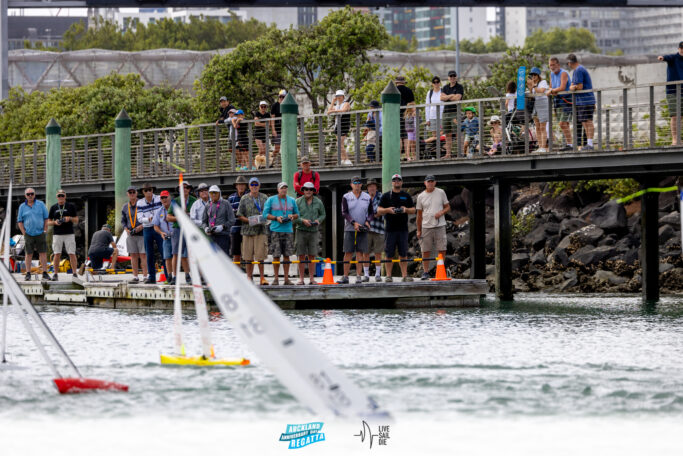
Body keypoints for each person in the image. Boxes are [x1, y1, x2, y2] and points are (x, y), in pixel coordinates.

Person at [377, 174, 416, 282]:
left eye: (399, 180)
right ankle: (388, 275)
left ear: (402, 182)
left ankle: (404, 275)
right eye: (394, 180)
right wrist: (388, 210)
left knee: (403, 253)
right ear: (392, 182)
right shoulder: (386, 196)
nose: (397, 181)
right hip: (390, 229)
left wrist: (405, 210)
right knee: (389, 254)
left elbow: (413, 210)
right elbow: (379, 210)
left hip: (403, 229)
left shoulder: (406, 196)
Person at [263, 182, 299, 286]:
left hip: (288, 230)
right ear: (278, 189)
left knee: (287, 255)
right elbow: (265, 214)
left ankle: (287, 279)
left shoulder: (292, 200)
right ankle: (276, 279)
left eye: (285, 188)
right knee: (276, 255)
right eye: (282, 188)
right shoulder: (271, 200)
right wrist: (276, 218)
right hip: (275, 230)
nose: (284, 190)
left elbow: (298, 214)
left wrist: (292, 216)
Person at [416, 175, 450, 280]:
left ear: (435, 182)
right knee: (425, 250)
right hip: (426, 226)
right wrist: (418, 230)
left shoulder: (441, 192)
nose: (430, 183)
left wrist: (441, 212)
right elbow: (419, 215)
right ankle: (425, 272)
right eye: (428, 181)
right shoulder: (420, 196)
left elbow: (448, 207)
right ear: (425, 183)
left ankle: (440, 269)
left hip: (440, 225)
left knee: (442, 248)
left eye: (432, 181)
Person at [340, 176, 373, 284]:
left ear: (361, 185)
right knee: (348, 252)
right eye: (355, 182)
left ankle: (359, 275)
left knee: (360, 252)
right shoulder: (346, 196)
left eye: (359, 183)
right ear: (351, 184)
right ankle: (345, 276)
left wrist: (368, 221)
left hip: (362, 228)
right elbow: (344, 212)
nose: (357, 184)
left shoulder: (367, 197)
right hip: (349, 228)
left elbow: (371, 212)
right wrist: (354, 223)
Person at [237, 177, 269, 285]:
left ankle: (262, 278)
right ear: (249, 186)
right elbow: (239, 215)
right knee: (247, 256)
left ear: (259, 186)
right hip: (247, 231)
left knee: (261, 256)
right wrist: (250, 221)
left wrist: (264, 218)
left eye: (256, 185)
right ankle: (249, 278)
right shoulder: (244, 198)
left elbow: (269, 212)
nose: (254, 187)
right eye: (252, 185)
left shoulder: (264, 197)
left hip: (261, 230)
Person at [295, 181, 326, 285]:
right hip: (301, 231)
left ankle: (312, 278)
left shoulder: (318, 202)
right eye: (306, 189)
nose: (308, 191)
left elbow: (323, 215)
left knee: (312, 255)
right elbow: (294, 217)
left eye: (310, 189)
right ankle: (301, 278)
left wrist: (318, 221)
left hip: (313, 231)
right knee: (301, 255)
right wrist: (302, 221)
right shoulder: (297, 201)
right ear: (303, 190)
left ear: (313, 191)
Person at [17, 187, 49, 281]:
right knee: (28, 254)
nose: (30, 196)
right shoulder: (22, 207)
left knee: (43, 253)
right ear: (25, 196)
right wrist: (24, 232)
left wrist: (45, 230)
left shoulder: (41, 204)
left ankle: (45, 273)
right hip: (28, 234)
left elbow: (46, 218)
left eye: (32, 194)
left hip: (40, 233)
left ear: (34, 194)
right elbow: (19, 221)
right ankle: (28, 273)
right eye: (28, 194)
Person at [137, 182, 167, 284]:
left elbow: (165, 209)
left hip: (158, 227)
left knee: (164, 252)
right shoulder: (140, 203)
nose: (148, 192)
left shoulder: (159, 199)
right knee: (149, 254)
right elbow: (140, 218)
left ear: (152, 190)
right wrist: (149, 219)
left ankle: (168, 275)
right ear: (143, 192)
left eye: (150, 190)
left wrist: (157, 219)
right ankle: (152, 277)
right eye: (146, 190)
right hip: (147, 229)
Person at [167, 181, 196, 285]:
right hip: (178, 229)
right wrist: (180, 217)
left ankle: (189, 275)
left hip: (190, 229)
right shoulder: (175, 201)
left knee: (189, 254)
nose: (184, 189)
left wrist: (188, 216)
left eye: (186, 187)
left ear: (189, 189)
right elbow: (168, 217)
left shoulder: (194, 200)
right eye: (182, 188)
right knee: (175, 253)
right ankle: (174, 276)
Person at [47, 189, 79, 280]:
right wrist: (55, 222)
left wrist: (69, 218)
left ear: (65, 197)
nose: (61, 197)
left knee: (72, 253)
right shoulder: (53, 207)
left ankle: (74, 273)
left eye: (62, 195)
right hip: (57, 234)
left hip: (69, 233)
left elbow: (76, 220)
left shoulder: (71, 206)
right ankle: (55, 274)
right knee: (57, 253)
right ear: (57, 197)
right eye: (59, 196)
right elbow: (48, 222)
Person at [567, 53, 596, 151]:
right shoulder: (577, 70)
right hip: (582, 101)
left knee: (588, 122)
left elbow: (579, 86)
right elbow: (572, 85)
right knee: (584, 122)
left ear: (570, 63)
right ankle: (589, 143)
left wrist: (573, 87)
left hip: (585, 100)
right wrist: (573, 87)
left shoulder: (579, 70)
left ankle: (590, 144)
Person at [658, 42, 683, 146]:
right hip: (673, 91)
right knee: (674, 116)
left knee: (681, 116)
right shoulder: (674, 57)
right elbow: (667, 57)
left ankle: (680, 139)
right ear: (679, 49)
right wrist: (662, 57)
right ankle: (675, 139)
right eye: (682, 48)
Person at [121, 185, 147, 283]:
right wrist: (125, 229)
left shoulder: (142, 204)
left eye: (133, 192)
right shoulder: (125, 207)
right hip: (130, 234)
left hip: (142, 233)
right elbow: (123, 221)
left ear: (136, 193)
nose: (132, 194)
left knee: (143, 255)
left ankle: (145, 276)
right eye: (130, 192)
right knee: (133, 256)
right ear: (128, 194)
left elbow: (148, 217)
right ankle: (135, 276)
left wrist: (142, 226)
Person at [202, 185, 235, 256]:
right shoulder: (208, 205)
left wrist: (222, 227)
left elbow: (232, 220)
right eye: (211, 193)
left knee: (224, 258)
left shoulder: (226, 203)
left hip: (223, 236)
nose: (213, 194)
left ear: (219, 193)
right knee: (213, 259)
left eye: (215, 193)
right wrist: (205, 228)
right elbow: (204, 221)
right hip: (211, 236)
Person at [548, 57, 573, 151]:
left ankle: (570, 144)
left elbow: (562, 87)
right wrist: (552, 90)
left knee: (562, 123)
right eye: (550, 65)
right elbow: (551, 87)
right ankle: (569, 144)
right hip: (557, 100)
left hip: (566, 100)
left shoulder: (563, 73)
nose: (552, 67)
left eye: (554, 64)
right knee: (564, 123)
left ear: (558, 65)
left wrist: (553, 90)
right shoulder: (551, 74)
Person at [441, 70, 464, 159]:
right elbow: (441, 98)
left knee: (458, 132)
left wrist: (448, 97)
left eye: (454, 76)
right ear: (448, 78)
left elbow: (458, 98)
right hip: (446, 113)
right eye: (450, 76)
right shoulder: (445, 87)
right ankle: (448, 154)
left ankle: (461, 152)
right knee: (447, 134)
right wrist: (451, 96)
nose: (452, 78)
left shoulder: (459, 87)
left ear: (456, 77)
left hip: (455, 112)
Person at [153, 191, 174, 284]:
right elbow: (155, 226)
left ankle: (181, 275)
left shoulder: (175, 208)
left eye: (165, 197)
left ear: (169, 197)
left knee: (178, 257)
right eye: (162, 198)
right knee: (167, 257)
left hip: (176, 236)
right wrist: (161, 233)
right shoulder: (159, 211)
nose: (164, 199)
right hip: (166, 237)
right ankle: (169, 276)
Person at [366, 178, 385, 282]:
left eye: (373, 186)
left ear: (376, 187)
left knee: (378, 253)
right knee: (366, 252)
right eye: (369, 186)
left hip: (379, 228)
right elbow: (362, 211)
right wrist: (374, 213)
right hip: (366, 229)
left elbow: (381, 211)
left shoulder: (381, 196)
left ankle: (378, 274)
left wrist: (371, 214)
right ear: (367, 188)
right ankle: (366, 274)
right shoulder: (363, 197)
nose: (371, 188)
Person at [327, 90, 352, 165]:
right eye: (337, 96)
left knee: (340, 143)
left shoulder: (346, 103)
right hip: (337, 125)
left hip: (344, 124)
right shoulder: (337, 105)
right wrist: (332, 101)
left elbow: (343, 110)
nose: (338, 97)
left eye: (340, 96)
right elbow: (329, 111)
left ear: (343, 96)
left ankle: (347, 159)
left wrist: (333, 111)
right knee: (339, 144)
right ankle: (343, 159)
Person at [227, 176, 248, 264]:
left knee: (248, 253)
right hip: (235, 228)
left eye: (243, 184)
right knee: (236, 253)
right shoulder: (231, 198)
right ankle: (237, 273)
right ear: (236, 186)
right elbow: (229, 213)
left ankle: (248, 275)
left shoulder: (249, 196)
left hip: (247, 228)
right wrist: (238, 213)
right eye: (239, 184)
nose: (241, 186)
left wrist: (237, 213)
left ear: (246, 186)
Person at [528, 67, 549, 153]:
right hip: (536, 106)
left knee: (542, 127)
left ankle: (543, 147)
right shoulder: (534, 84)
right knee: (537, 127)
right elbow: (531, 95)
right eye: (531, 75)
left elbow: (540, 91)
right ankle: (540, 146)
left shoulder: (543, 82)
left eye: (534, 74)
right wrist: (530, 87)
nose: (533, 76)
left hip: (543, 105)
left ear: (538, 75)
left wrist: (534, 85)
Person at [395, 75, 415, 155]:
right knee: (406, 136)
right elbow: (413, 104)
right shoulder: (409, 90)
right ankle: (407, 155)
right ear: (404, 82)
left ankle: (398, 156)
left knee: (398, 136)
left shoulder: (394, 91)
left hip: (396, 115)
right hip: (407, 115)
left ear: (396, 82)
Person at [253, 101, 276, 169]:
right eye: (262, 106)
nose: (263, 108)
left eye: (264, 106)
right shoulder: (257, 113)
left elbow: (268, 124)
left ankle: (265, 164)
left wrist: (260, 123)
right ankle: (258, 163)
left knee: (265, 150)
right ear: (259, 107)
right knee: (261, 149)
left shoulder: (267, 114)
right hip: (257, 134)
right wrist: (264, 124)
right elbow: (256, 123)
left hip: (265, 134)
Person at [425, 76, 444, 143]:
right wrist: (427, 119)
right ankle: (436, 150)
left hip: (442, 116)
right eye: (434, 82)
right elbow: (427, 106)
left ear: (440, 83)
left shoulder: (443, 91)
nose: (436, 84)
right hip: (432, 116)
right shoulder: (429, 93)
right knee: (434, 135)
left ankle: (425, 142)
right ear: (432, 83)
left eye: (437, 82)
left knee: (442, 134)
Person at [270, 89, 287, 164]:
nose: (281, 98)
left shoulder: (287, 105)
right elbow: (272, 118)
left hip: (285, 129)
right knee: (277, 148)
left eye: (283, 97)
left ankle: (285, 163)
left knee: (286, 147)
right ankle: (270, 162)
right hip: (277, 129)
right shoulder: (275, 105)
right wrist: (273, 130)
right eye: (280, 97)